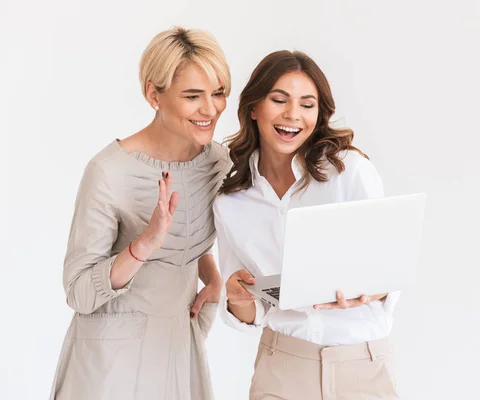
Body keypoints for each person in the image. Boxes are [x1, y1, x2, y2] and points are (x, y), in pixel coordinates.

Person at [49, 26, 231, 400]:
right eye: (193, 96)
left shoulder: (218, 163)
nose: (210, 109)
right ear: (154, 94)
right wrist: (143, 244)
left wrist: (211, 275)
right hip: (109, 363)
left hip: (180, 349)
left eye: (218, 93)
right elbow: (79, 293)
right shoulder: (108, 171)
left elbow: (187, 240)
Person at [214, 50, 401, 400]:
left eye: (307, 104)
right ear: (254, 107)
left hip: (361, 364)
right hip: (282, 365)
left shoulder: (350, 172)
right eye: (279, 100)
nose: (292, 115)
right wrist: (238, 297)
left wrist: (363, 287)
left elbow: (389, 273)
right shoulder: (231, 203)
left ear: (319, 113)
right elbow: (252, 308)